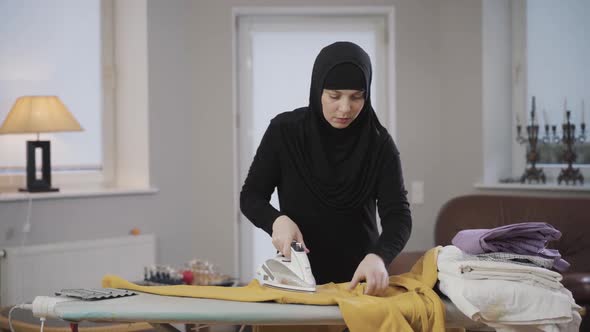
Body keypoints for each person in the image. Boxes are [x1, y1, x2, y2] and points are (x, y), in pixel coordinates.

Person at [240, 41, 411, 296]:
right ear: (317, 89)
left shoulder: (380, 144)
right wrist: (276, 220)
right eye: (334, 96)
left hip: (359, 282)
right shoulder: (284, 132)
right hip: (298, 279)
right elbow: (251, 196)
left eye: (356, 97)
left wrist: (379, 256)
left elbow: (398, 216)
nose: (345, 108)